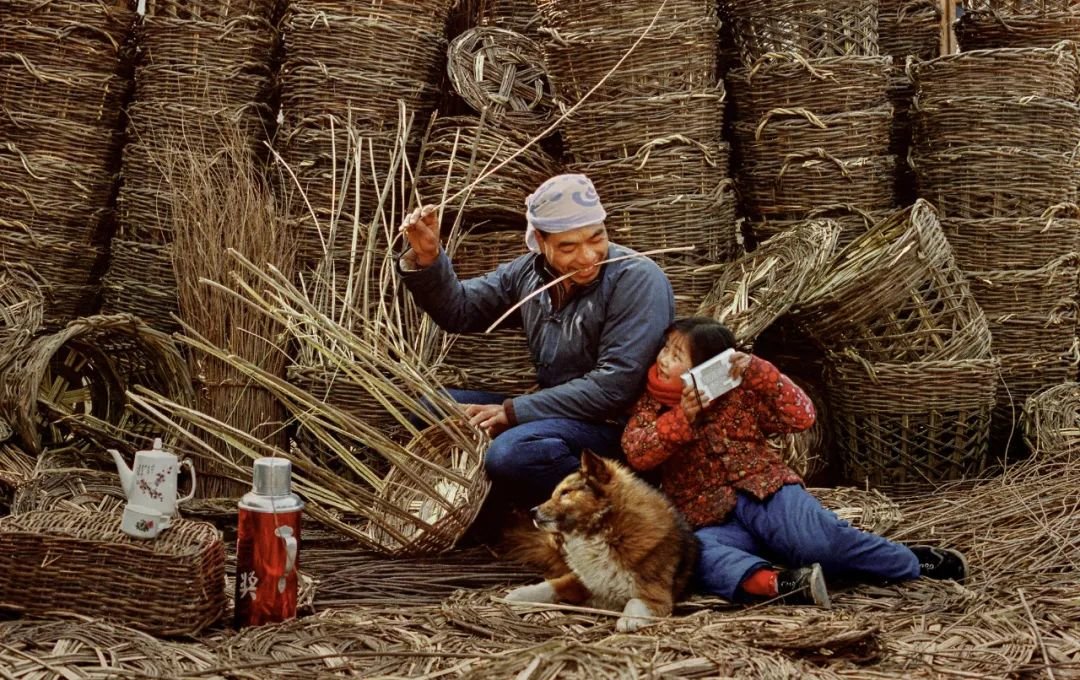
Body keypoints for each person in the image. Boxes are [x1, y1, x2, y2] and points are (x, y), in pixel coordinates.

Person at [621, 316, 969, 607]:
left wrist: (760, 371)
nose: (663, 359)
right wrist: (682, 418)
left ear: (705, 367)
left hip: (766, 491)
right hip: (708, 515)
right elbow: (637, 451)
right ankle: (784, 585)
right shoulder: (651, 407)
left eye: (677, 354)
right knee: (700, 557)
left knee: (817, 542)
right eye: (666, 348)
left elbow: (801, 417)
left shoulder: (739, 394)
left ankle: (907, 562)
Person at [398, 173, 675, 506]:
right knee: (429, 407)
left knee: (513, 453)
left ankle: (615, 506)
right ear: (540, 242)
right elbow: (460, 310)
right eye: (568, 246)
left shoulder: (637, 279)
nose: (588, 257)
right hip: (553, 414)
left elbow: (614, 387)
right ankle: (507, 500)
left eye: (596, 237)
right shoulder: (529, 273)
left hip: (618, 429)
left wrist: (515, 412)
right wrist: (430, 258)